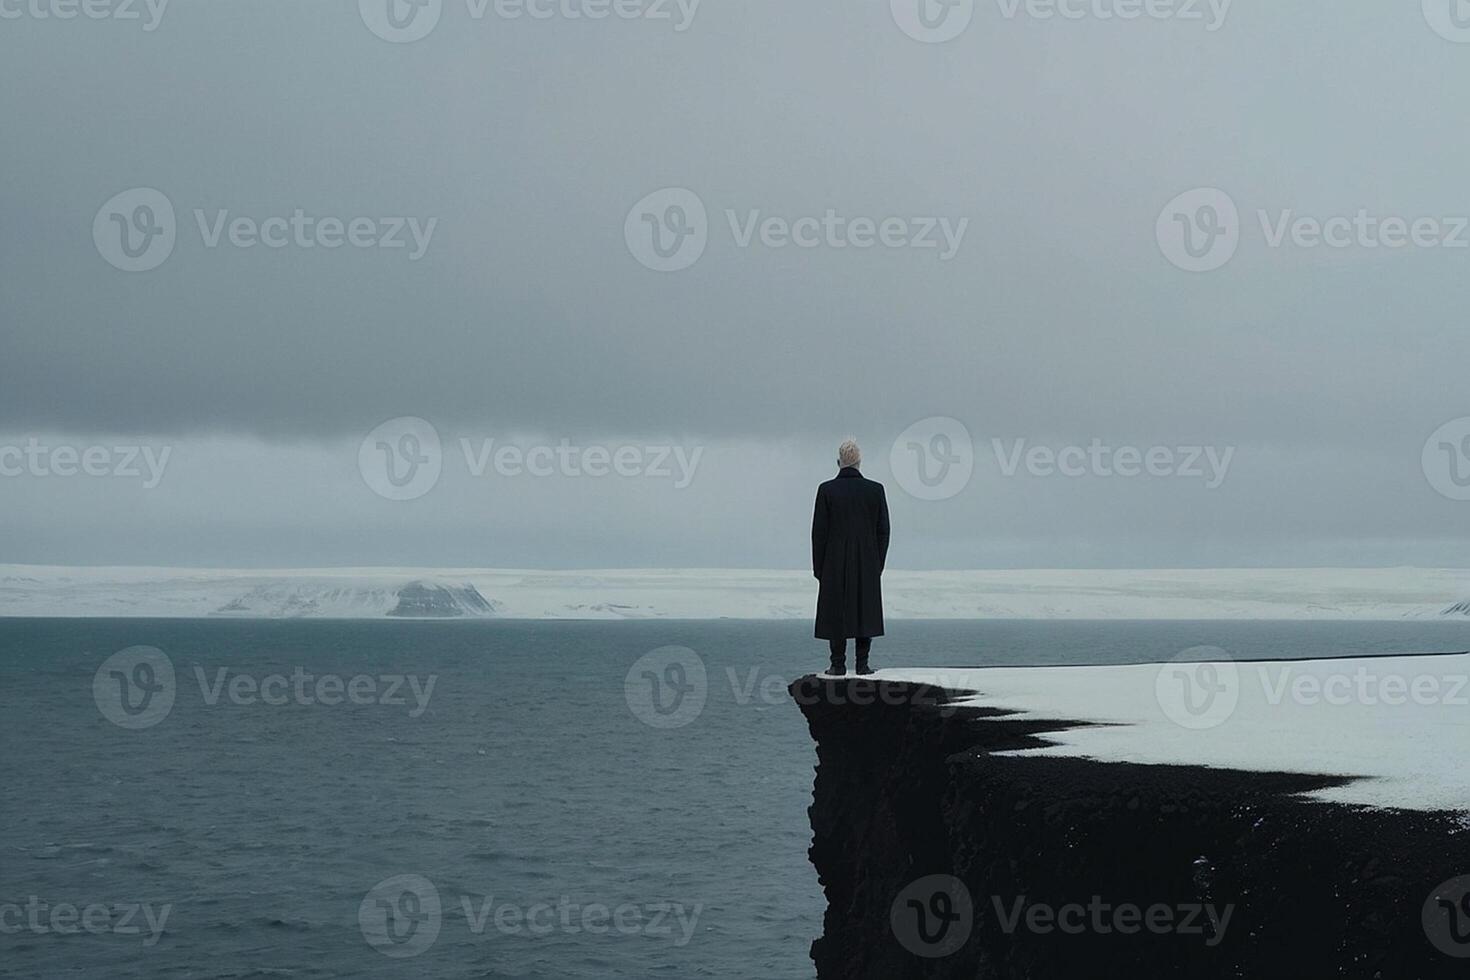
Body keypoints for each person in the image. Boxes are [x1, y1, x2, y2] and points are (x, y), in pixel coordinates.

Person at [811, 438, 890, 676]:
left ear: (839, 462)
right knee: (864, 609)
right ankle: (863, 664)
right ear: (859, 463)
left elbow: (819, 533)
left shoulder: (826, 490)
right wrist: (878, 563)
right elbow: (883, 531)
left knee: (836, 611)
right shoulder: (875, 490)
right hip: (867, 560)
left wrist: (819, 568)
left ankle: (837, 664)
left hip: (833, 560)